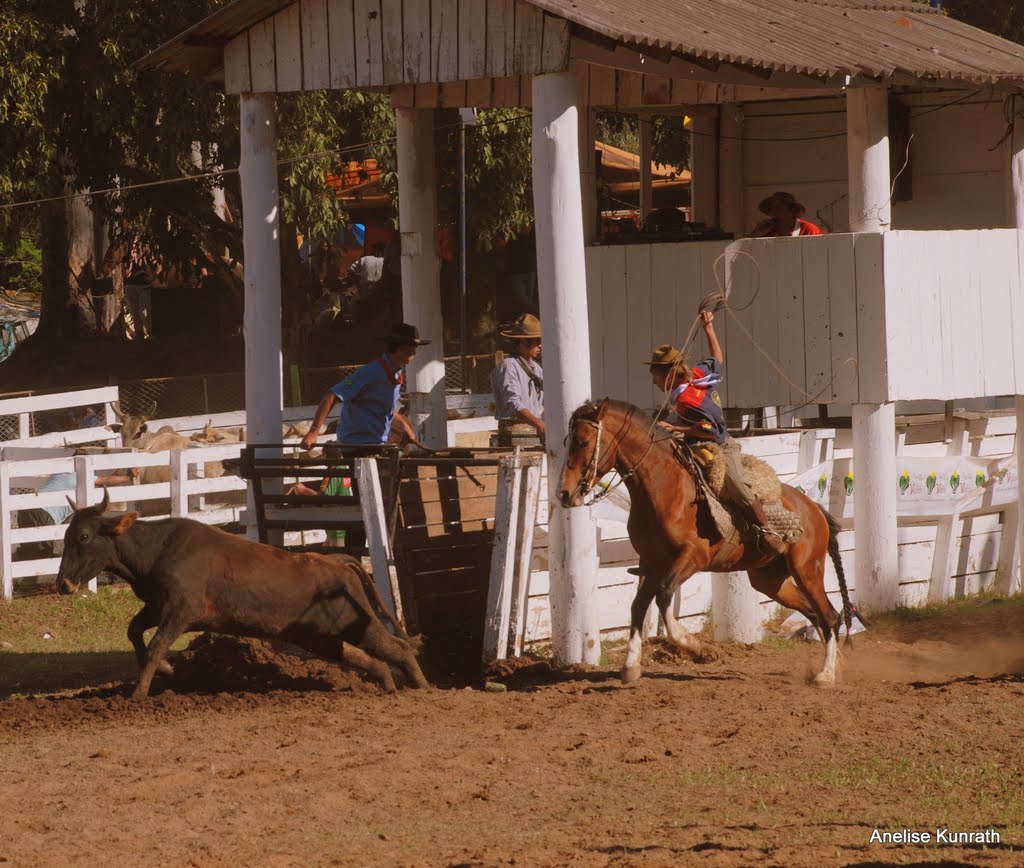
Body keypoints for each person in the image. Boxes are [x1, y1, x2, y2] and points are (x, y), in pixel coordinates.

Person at [648, 311, 786, 555]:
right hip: (695, 439)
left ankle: (766, 529)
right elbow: (718, 358)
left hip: (720, 444)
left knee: (737, 485)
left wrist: (676, 428)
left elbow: (713, 432)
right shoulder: (698, 376)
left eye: (656, 375)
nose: (653, 381)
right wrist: (709, 328)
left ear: (669, 374)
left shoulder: (689, 401)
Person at [300, 322, 427, 451]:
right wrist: (314, 432)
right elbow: (333, 394)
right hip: (357, 446)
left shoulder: (395, 374)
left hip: (377, 444)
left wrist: (404, 428)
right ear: (402, 348)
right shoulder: (371, 372)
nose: (415, 352)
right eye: (413, 347)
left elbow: (383, 410)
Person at [491, 314, 544, 447]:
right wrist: (539, 424)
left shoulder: (536, 368)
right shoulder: (509, 366)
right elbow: (513, 403)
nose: (540, 345)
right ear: (522, 342)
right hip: (513, 435)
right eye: (536, 341)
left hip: (534, 433)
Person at [750, 191, 824, 238]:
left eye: (778, 208)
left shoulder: (809, 230)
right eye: (771, 209)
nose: (773, 212)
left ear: (792, 210)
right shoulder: (766, 232)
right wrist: (757, 233)